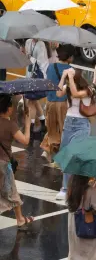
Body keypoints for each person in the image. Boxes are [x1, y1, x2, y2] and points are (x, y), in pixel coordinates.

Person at [55, 69, 93, 201]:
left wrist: (70, 77)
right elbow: (58, 93)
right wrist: (63, 77)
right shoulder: (68, 87)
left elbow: (76, 94)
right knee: (66, 156)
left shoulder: (88, 90)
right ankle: (65, 188)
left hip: (82, 125)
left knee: (75, 156)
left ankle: (75, 187)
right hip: (69, 123)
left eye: (70, 79)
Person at [0, 95, 34, 230]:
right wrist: (27, 123)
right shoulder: (10, 125)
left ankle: (20, 218)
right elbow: (25, 140)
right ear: (8, 109)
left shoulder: (9, 123)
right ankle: (20, 219)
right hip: (3, 164)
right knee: (12, 192)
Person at [40, 44, 75, 163]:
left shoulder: (51, 67)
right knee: (63, 130)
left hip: (50, 102)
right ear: (70, 57)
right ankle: (60, 156)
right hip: (62, 103)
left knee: (51, 128)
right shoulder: (71, 71)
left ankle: (46, 150)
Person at [67, 176, 96, 260]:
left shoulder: (71, 188)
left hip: (74, 224)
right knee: (87, 255)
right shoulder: (90, 190)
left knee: (75, 252)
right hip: (87, 226)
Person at [25, 38, 50, 136]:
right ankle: (43, 123)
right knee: (34, 100)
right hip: (29, 75)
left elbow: (42, 63)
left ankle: (30, 127)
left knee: (30, 101)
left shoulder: (41, 44)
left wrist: (29, 57)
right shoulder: (28, 42)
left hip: (37, 76)